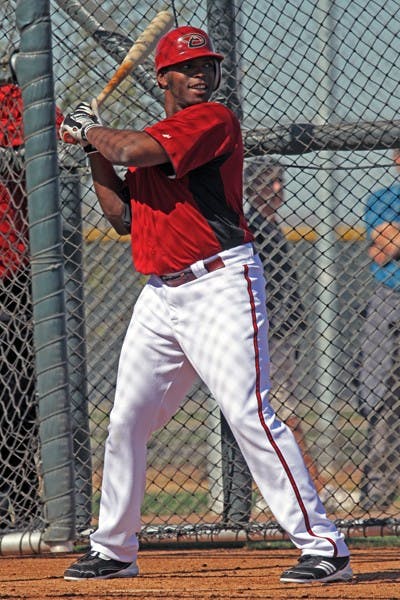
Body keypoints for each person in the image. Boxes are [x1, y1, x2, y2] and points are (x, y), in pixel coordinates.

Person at [60, 25, 352, 583]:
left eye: (208, 67)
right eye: (189, 68)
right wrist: (90, 149)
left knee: (250, 413)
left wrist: (92, 131)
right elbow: (121, 217)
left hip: (220, 285)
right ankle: (115, 548)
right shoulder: (150, 136)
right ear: (163, 76)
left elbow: (130, 148)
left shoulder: (210, 122)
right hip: (160, 296)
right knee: (127, 420)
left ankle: (325, 546)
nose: (201, 75)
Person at [0, 48, 64, 531]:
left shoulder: (14, 102)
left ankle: (20, 506)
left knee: (19, 400)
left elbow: (56, 142)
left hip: (13, 277)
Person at [244, 158, 325, 494]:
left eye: (279, 181)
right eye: (268, 182)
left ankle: (293, 485)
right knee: (283, 408)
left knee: (279, 407)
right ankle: (311, 486)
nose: (277, 188)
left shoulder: (269, 224)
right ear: (251, 188)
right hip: (269, 332)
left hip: (281, 331)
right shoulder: (253, 227)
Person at [357, 148, 400, 511]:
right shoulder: (385, 199)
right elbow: (384, 248)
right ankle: (378, 499)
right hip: (392, 299)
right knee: (381, 396)